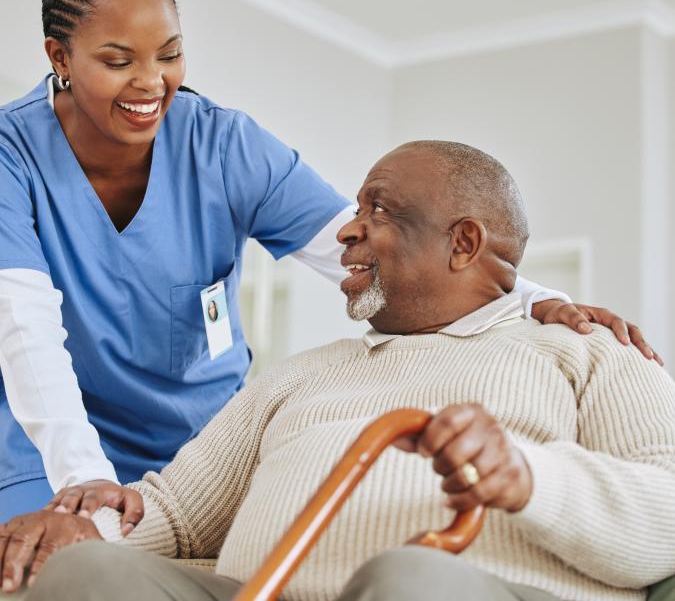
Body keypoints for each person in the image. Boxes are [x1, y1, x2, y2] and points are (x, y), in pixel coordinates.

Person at [0, 0, 658, 527]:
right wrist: (81, 479)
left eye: (169, 55)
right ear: (60, 55)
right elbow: (25, 329)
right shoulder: (12, 154)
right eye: (118, 61)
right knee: (52, 565)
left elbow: (365, 245)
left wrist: (526, 295)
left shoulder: (223, 147)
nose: (152, 83)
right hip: (50, 439)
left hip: (199, 446)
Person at [1, 140, 673, 601]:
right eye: (354, 210)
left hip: (459, 590)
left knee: (416, 578)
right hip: (261, 590)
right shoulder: (298, 376)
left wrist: (530, 478)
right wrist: (77, 530)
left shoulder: (586, 351)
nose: (346, 232)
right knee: (86, 571)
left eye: (377, 210)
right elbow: (175, 515)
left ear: (463, 243)